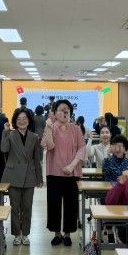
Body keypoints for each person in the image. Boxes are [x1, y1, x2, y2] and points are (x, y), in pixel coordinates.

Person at [42, 99, 86, 247]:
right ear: (54, 113)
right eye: (61, 109)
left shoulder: (76, 129)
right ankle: (57, 233)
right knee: (54, 204)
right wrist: (48, 127)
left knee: (71, 204)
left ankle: (67, 234)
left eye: (67, 109)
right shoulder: (51, 127)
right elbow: (49, 146)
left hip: (71, 173)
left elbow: (82, 148)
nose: (65, 111)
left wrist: (72, 166)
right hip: (54, 172)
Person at [1, 108, 43, 246]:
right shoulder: (10, 134)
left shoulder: (34, 137)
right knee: (15, 208)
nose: (22, 121)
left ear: (29, 120)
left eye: (24, 118)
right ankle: (16, 235)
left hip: (29, 175)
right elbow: (4, 149)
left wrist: (39, 178)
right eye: (18, 119)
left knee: (27, 207)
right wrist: (5, 132)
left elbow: (37, 159)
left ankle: (25, 234)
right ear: (15, 121)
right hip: (13, 175)